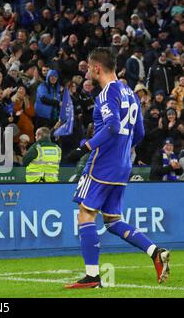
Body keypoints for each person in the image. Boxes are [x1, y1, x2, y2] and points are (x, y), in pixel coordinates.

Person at [67, 48, 170, 289]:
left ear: (96, 68)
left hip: (102, 163)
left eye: (89, 68)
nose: (87, 73)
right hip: (123, 164)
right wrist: (124, 150)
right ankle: (155, 251)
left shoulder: (106, 94)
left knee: (85, 214)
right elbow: (140, 133)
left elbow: (112, 126)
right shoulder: (131, 94)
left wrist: (86, 147)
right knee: (112, 221)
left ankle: (92, 276)